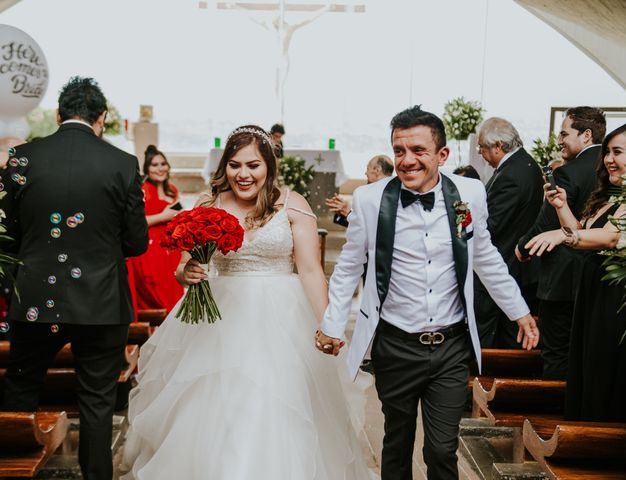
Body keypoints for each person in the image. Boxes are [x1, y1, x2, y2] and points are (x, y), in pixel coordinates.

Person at [121, 125, 373, 479]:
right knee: (213, 409)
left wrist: (327, 325)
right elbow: (183, 267)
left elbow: (311, 272)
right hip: (219, 323)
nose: (243, 174)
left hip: (283, 322)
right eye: (235, 165)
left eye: (253, 165)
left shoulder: (292, 204)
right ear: (225, 166)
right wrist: (188, 271)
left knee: (278, 405)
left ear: (269, 165)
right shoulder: (208, 204)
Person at [317, 106, 539, 480]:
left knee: (441, 449)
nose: (407, 160)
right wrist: (333, 324)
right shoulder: (371, 200)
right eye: (399, 150)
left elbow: (484, 256)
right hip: (394, 343)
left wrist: (519, 310)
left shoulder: (468, 194)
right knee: (397, 442)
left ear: (442, 155)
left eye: (418, 150)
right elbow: (349, 267)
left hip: (451, 346)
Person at [1, 76, 148, 480]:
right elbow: (137, 243)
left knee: (20, 386)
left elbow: (7, 235)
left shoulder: (21, 159)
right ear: (100, 118)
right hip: (101, 303)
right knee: (98, 402)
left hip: (33, 297)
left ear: (57, 114)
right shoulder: (121, 163)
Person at [525, 122, 626, 422]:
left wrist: (564, 237)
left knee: (606, 371)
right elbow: (581, 232)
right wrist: (562, 207)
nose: (608, 160)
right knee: (588, 367)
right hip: (593, 297)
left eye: (617, 152)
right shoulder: (613, 196)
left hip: (616, 302)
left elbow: (613, 236)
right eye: (607, 153)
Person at [516, 106, 605, 380]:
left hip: (562, 278)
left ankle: (553, 419)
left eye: (565, 133)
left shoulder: (568, 173)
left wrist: (522, 248)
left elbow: (546, 223)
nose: (560, 140)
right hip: (594, 279)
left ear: (586, 135)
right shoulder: (610, 170)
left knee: (556, 353)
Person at [474, 118, 543, 347]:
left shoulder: (512, 175)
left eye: (481, 147)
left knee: (493, 335)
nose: (481, 153)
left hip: (505, 263)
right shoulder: (525, 165)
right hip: (515, 263)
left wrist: (463, 214)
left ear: (498, 146)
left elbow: (490, 225)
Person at [128, 145, 184, 313]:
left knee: (174, 292)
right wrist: (162, 216)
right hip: (149, 249)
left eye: (163, 164)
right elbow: (132, 221)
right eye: (154, 165)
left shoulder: (172, 190)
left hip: (171, 249)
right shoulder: (142, 190)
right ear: (147, 169)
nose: (160, 168)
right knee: (156, 295)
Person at [326, 154, 393, 227]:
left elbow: (373, 228)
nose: (365, 173)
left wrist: (348, 213)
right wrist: (343, 213)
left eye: (368, 168)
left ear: (377, 170)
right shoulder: (371, 191)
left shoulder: (388, 196)